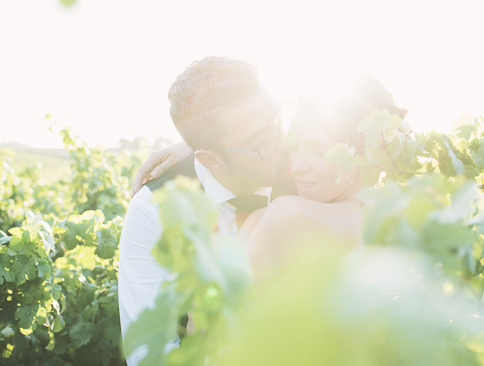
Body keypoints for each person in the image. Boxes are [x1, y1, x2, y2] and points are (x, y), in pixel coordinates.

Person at [114, 57, 295, 366]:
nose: (286, 140)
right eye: (263, 139)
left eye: (278, 118)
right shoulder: (155, 209)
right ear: (210, 159)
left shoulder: (305, 169)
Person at [133, 74, 408, 277]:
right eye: (294, 142)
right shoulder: (406, 218)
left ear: (369, 151)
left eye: (319, 150)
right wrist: (199, 146)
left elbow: (203, 326)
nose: (296, 163)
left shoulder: (284, 215)